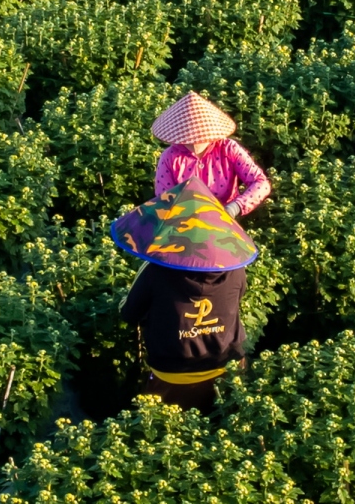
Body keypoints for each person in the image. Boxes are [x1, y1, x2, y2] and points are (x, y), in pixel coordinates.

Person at [114, 176, 258, 413]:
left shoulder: (155, 271)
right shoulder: (235, 268)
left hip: (172, 374)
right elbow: (237, 300)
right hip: (228, 368)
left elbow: (129, 313)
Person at [151, 91, 271, 219]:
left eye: (198, 137)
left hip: (226, 221)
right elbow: (164, 201)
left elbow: (261, 183)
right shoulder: (170, 157)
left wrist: (234, 207)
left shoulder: (228, 148)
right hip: (184, 223)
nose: (193, 142)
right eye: (187, 137)